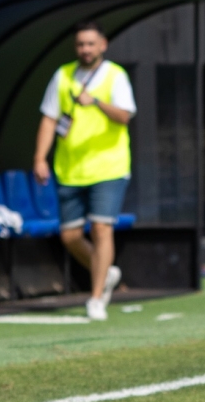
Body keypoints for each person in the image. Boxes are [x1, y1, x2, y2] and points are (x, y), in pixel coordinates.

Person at [33, 23, 136, 320]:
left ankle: (95, 298)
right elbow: (49, 119)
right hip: (70, 169)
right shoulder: (62, 75)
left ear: (102, 45)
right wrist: (40, 157)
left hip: (108, 167)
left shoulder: (115, 76)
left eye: (91, 44)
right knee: (70, 237)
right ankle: (106, 272)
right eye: (80, 44)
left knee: (102, 228)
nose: (85, 50)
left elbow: (124, 116)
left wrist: (97, 103)